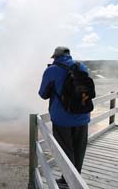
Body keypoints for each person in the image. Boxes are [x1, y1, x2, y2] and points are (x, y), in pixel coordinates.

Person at [38, 46, 91, 187]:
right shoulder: (81, 66)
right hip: (83, 115)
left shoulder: (52, 70)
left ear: (55, 56)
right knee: (79, 149)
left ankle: (68, 181)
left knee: (65, 150)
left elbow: (43, 94)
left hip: (63, 118)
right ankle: (76, 178)